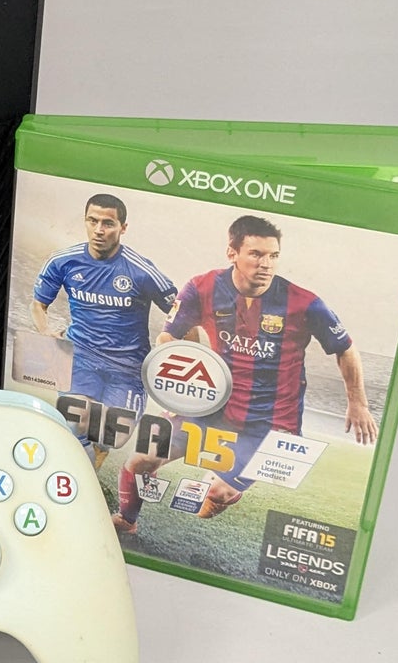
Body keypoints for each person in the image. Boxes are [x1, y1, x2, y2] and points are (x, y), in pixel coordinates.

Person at [115, 213, 378, 532]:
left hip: (269, 423)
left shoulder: (304, 303)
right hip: (212, 408)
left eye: (273, 256)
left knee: (215, 494)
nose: (266, 264)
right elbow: (168, 338)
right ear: (232, 253)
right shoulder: (202, 287)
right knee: (140, 459)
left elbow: (345, 348)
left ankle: (222, 482)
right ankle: (126, 521)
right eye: (256, 254)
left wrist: (358, 402)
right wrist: (184, 384)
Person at [31, 194, 176, 454]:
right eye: (93, 221)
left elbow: (182, 315)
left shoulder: (142, 271)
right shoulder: (63, 261)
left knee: (112, 437)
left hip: (128, 368)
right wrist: (45, 332)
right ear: (85, 221)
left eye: (108, 223)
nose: (99, 230)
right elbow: (38, 304)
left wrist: (176, 356)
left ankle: (95, 451)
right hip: (81, 357)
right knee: (76, 422)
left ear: (123, 227)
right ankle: (76, 465)